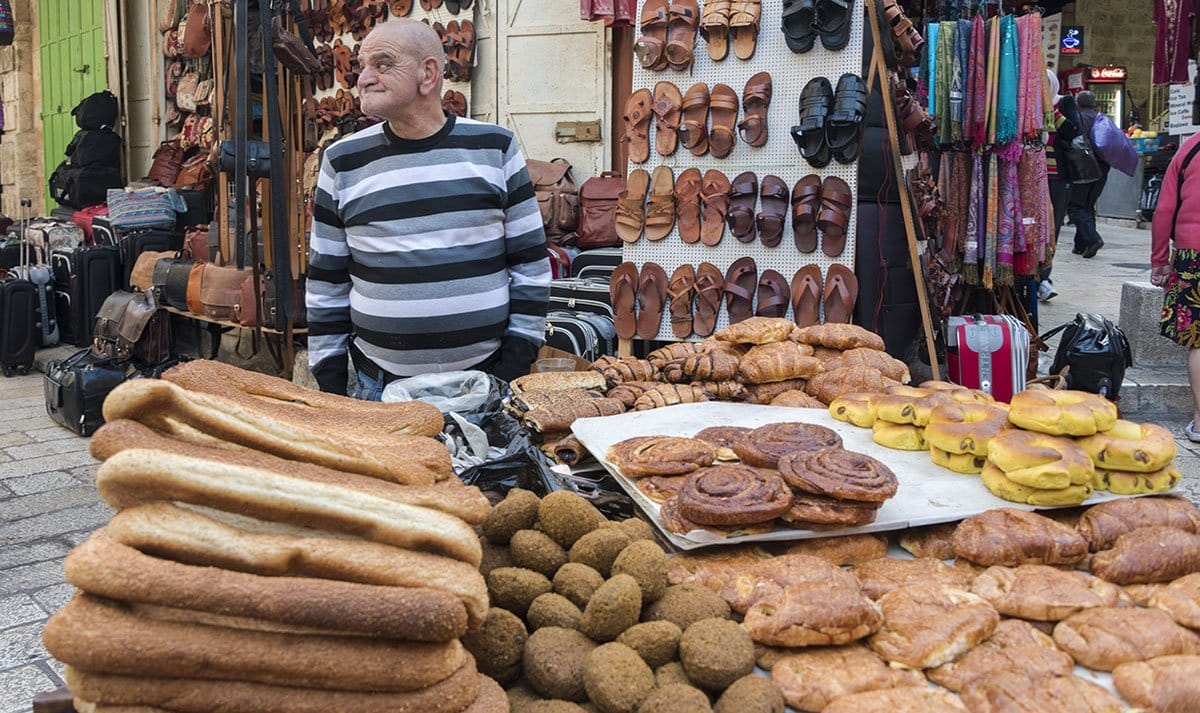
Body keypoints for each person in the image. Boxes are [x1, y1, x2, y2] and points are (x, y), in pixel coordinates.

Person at [306, 19, 551, 399]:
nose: (364, 79)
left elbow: (531, 267)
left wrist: (514, 365)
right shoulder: (342, 161)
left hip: (487, 381)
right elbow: (326, 283)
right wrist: (331, 384)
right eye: (362, 66)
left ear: (428, 74)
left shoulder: (495, 148)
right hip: (379, 386)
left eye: (382, 64)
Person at [1151, 130, 1200, 441]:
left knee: (1199, 340)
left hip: (1193, 255)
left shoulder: (1190, 149)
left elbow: (1164, 210)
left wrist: (1159, 261)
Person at [1040, 70, 1080, 302]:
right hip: (1033, 175)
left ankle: (1045, 276)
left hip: (1058, 178)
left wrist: (1051, 112)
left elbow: (1074, 129)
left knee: (1052, 227)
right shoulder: (1028, 102)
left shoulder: (1064, 102)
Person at [1067, 91, 1109, 259]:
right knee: (1087, 205)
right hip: (1102, 169)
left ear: (1078, 103)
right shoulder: (1102, 118)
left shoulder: (1077, 117)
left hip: (1083, 167)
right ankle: (1080, 244)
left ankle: (1093, 239)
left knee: (1075, 206)